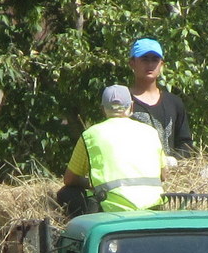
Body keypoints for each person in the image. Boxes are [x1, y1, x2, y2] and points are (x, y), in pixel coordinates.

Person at [58, 84, 167, 216]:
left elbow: (69, 179)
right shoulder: (151, 132)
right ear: (131, 107)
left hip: (111, 211)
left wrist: (93, 183)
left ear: (103, 110)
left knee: (65, 193)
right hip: (153, 207)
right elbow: (163, 175)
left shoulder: (90, 135)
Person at [128, 38, 193, 161]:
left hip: (172, 175)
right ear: (132, 63)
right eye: (144, 59)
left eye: (155, 60)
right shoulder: (123, 101)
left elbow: (185, 143)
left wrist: (172, 161)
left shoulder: (174, 102)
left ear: (161, 64)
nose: (150, 64)